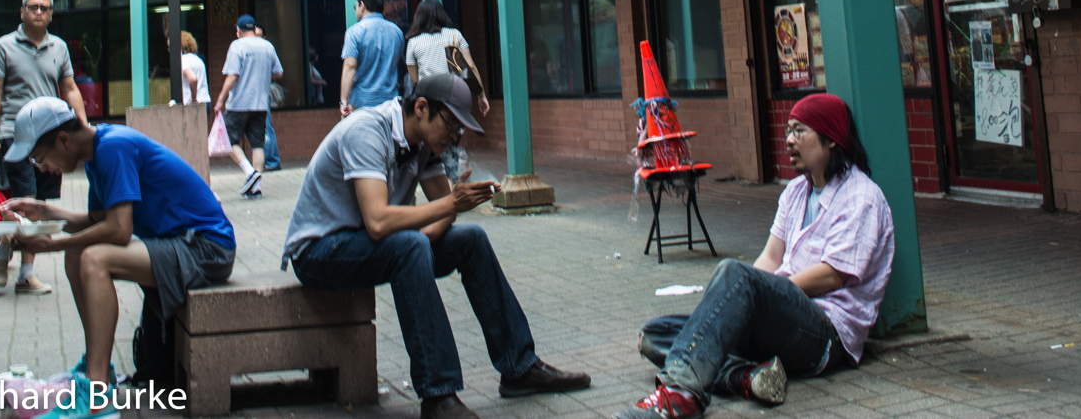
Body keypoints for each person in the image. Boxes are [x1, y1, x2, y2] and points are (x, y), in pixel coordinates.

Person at [283, 73, 590, 419]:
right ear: (421, 108)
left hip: (367, 245)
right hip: (318, 252)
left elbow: (445, 211)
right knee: (409, 246)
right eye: (451, 124)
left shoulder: (424, 145)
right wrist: (435, 221)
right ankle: (438, 396)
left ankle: (519, 367)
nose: (455, 137)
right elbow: (379, 221)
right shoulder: (367, 131)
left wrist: (434, 226)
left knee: (471, 240)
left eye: (460, 130)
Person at [615, 93, 894, 419]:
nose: (789, 140)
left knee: (735, 277)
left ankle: (680, 395)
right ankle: (745, 377)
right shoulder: (795, 192)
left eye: (799, 131)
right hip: (779, 318)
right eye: (788, 130)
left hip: (824, 335)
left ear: (830, 139)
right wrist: (733, 303)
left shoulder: (861, 197)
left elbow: (833, 275)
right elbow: (770, 257)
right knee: (654, 335)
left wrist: (756, 294)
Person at [1, 96, 235, 416]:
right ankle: (97, 369)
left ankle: (96, 394)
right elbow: (97, 222)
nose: (44, 168)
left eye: (41, 158)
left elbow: (119, 231)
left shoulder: (113, 148)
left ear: (63, 140)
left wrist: (51, 245)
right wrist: (42, 211)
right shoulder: (97, 153)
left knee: (93, 258)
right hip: (182, 244)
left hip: (207, 249)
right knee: (79, 250)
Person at [0, 0, 90, 295]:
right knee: (26, 199)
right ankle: (17, 264)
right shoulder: (4, 46)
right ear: (22, 12)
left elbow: (69, 89)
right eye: (33, 7)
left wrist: (82, 128)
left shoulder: (59, 47)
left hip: (51, 138)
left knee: (39, 205)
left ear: (52, 14)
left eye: (45, 8)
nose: (39, 12)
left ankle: (15, 260)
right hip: (14, 135)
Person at [211, 14, 282, 198]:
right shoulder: (267, 46)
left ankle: (250, 172)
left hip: (239, 104)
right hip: (260, 104)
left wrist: (220, 100)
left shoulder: (237, 46)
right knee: (257, 144)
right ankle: (256, 188)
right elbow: (278, 72)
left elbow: (233, 75)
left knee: (227, 139)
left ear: (238, 31)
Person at [405, 0, 489, 115]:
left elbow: (415, 81)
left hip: (429, 100)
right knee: (455, 129)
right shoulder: (455, 34)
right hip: (454, 94)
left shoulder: (413, 42)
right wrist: (481, 95)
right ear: (441, 14)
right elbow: (471, 66)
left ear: (419, 18)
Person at [338, 0, 406, 116]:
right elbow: (396, 62)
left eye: (355, 6)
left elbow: (350, 66)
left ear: (362, 6)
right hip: (389, 103)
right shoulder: (397, 32)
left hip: (361, 103)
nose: (356, 9)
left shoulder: (354, 32)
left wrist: (344, 101)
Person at [253, 24, 283, 172]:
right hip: (253, 94)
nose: (256, 39)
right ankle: (266, 160)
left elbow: (279, 72)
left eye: (259, 36)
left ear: (264, 37)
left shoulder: (267, 48)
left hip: (262, 93)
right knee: (260, 128)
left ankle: (272, 161)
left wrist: (265, 75)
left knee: (266, 127)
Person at [175, 30, 210, 107]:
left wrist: (194, 100)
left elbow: (193, 78)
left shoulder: (183, 60)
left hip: (195, 104)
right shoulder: (198, 59)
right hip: (205, 100)